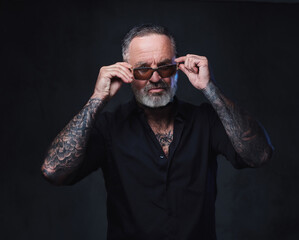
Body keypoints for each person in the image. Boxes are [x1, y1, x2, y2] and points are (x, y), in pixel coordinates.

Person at [41, 24, 273, 239]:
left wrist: (209, 88)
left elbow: (259, 155)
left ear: (176, 68)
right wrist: (97, 98)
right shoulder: (109, 127)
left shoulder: (205, 120)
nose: (155, 78)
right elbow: (53, 171)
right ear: (128, 73)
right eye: (142, 70)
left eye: (165, 67)